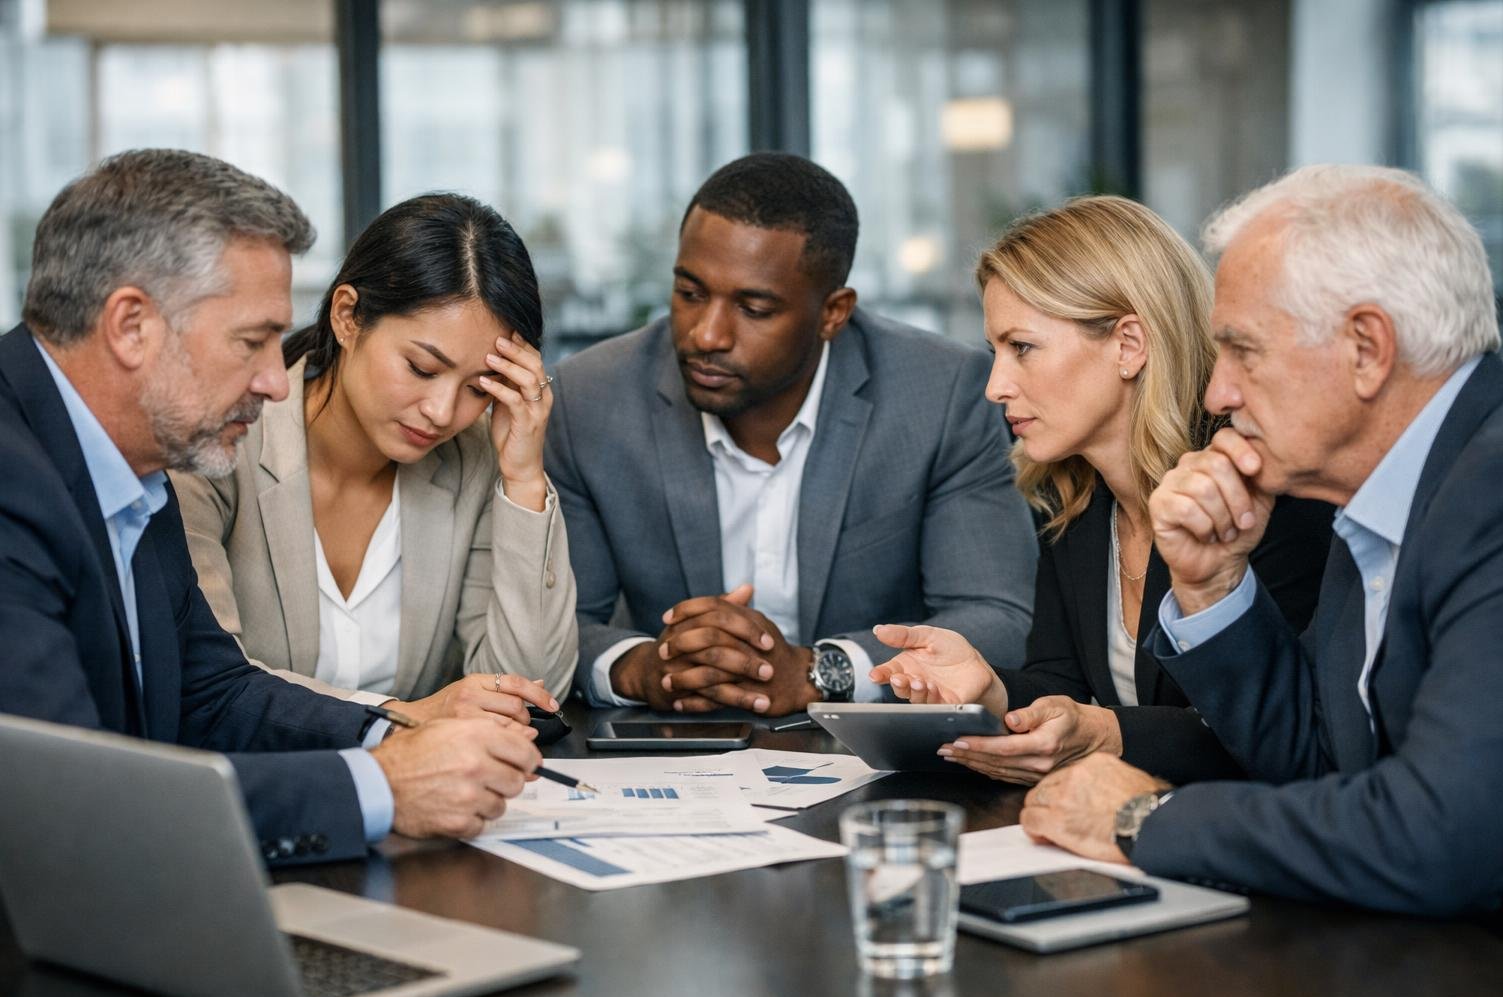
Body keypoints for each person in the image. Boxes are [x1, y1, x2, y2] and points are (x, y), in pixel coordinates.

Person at [1015, 165, 1503, 932]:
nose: (1217, 393)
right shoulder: (1380, 494)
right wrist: (1213, 587)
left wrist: (1145, 818)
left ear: (1366, 348)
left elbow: (1447, 835)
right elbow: (1318, 761)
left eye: (1243, 351)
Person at [0, 149, 542, 866]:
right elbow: (65, 804)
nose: (276, 380)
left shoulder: (137, 461)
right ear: (131, 325)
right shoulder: (14, 479)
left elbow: (211, 694)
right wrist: (381, 787)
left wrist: (394, 736)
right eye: (253, 342)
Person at [544, 153, 1037, 716]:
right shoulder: (590, 399)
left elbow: (996, 616)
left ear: (833, 313)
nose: (707, 335)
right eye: (690, 294)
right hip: (673, 743)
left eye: (753, 308)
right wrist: (641, 667)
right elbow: (556, 624)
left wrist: (818, 673)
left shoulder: (940, 395)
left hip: (871, 749)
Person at [870, 196, 1334, 784]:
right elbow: (1060, 688)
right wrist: (989, 689)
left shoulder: (1256, 490)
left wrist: (1110, 734)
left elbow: (1284, 737)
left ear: (1129, 345)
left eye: (1022, 348)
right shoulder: (1074, 499)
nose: (995, 386)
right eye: (995, 352)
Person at [170, 193, 578, 722]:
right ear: (347, 317)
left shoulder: (477, 459)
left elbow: (530, 697)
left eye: (479, 388)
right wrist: (398, 718)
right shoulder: (221, 444)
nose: (441, 412)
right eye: (422, 368)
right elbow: (204, 683)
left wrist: (523, 479)